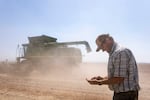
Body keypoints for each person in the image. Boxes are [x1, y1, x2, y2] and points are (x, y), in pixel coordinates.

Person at [86, 34, 140, 100]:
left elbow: (119, 78)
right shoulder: (115, 53)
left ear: (110, 39)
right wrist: (101, 78)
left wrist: (99, 82)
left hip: (126, 94)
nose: (103, 50)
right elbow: (116, 74)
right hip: (122, 93)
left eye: (102, 46)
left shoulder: (120, 52)